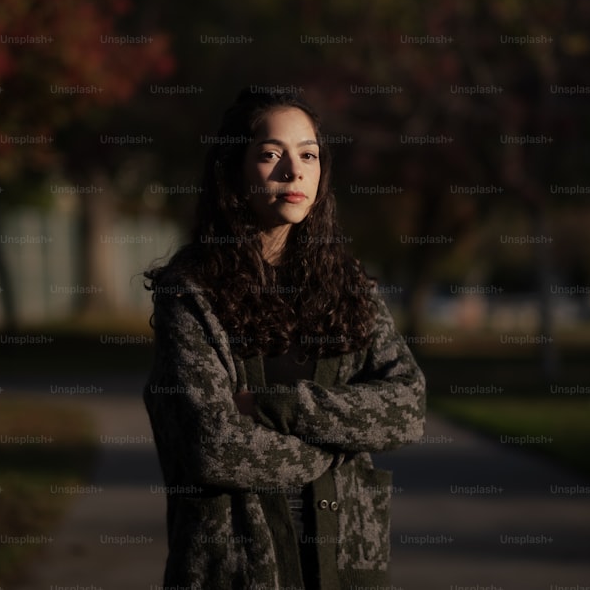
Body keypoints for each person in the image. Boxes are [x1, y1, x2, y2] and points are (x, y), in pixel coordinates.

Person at [143, 88, 426, 590]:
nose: (293, 172)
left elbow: (406, 406)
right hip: (239, 571)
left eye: (308, 155)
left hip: (346, 568)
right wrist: (334, 448)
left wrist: (287, 407)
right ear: (233, 169)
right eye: (271, 154)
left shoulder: (349, 286)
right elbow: (215, 447)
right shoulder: (190, 293)